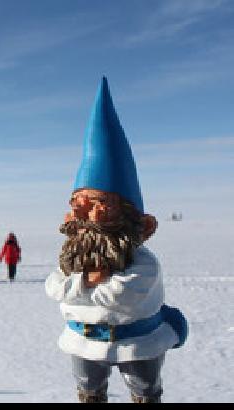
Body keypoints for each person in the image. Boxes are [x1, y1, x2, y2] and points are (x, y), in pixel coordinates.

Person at [45, 77, 187, 403]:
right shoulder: (71, 257)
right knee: (88, 390)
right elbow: (54, 288)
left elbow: (118, 296)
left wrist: (81, 285)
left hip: (139, 342)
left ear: (125, 213)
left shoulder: (144, 262)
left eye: (97, 203)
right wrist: (91, 279)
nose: (82, 212)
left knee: (145, 389)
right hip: (83, 343)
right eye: (77, 202)